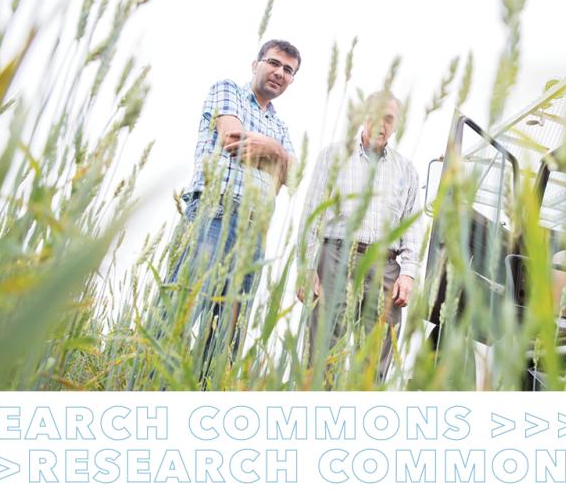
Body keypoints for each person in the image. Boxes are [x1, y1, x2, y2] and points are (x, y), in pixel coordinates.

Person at [169, 39, 300, 382]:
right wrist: (276, 158)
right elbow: (233, 141)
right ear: (255, 64)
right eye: (273, 63)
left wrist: (270, 148)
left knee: (226, 334)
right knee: (179, 313)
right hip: (214, 213)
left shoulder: (281, 127)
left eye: (288, 70)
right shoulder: (228, 91)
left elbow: (295, 177)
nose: (279, 73)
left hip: (253, 233)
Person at [297, 91, 422, 383]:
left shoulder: (407, 171)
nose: (382, 124)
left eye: (389, 119)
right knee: (322, 354)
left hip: (385, 267)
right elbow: (312, 214)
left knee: (375, 361)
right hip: (336, 257)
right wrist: (305, 267)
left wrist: (409, 274)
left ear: (397, 124)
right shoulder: (332, 156)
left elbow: (413, 228)